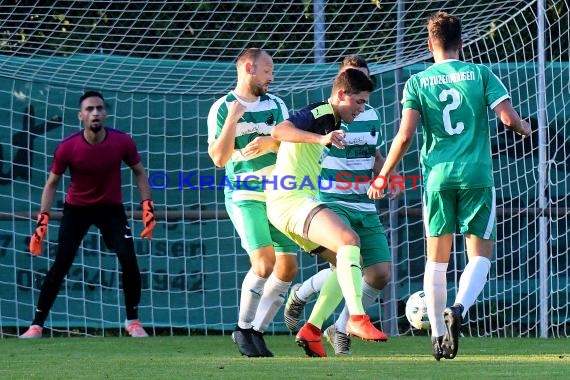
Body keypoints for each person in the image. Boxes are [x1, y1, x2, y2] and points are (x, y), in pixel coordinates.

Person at [368, 11, 531, 361]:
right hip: (476, 175)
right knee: (480, 256)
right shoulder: (482, 74)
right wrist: (524, 129)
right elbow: (507, 118)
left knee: (436, 260)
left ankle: (438, 336)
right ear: (463, 43)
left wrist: (384, 175)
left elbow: (406, 134)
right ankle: (457, 309)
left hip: (437, 177)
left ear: (429, 45)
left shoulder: (417, 81)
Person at [283, 55, 401, 356]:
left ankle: (337, 325)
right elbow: (286, 134)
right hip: (330, 198)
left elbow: (371, 150)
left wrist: (386, 175)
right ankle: (321, 305)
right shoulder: (324, 114)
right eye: (356, 94)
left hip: (364, 201)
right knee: (349, 256)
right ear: (342, 87)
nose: (360, 104)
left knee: (379, 274)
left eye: (364, 95)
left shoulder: (370, 114)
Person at [20, 90, 157, 339]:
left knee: (128, 258)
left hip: (111, 210)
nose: (95, 113)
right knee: (61, 263)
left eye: (99, 108)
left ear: (105, 113)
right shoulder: (67, 147)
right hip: (77, 210)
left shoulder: (122, 142)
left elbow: (139, 171)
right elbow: (51, 184)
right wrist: (42, 220)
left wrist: (147, 205)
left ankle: (133, 321)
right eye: (90, 109)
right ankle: (36, 326)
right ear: (80, 116)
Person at [207, 47, 298, 357]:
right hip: (244, 194)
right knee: (264, 263)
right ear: (249, 68)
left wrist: (272, 140)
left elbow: (292, 142)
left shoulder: (277, 104)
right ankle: (242, 328)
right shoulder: (222, 107)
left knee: (287, 268)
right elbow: (219, 159)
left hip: (278, 192)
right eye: (268, 70)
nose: (272, 77)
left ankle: (256, 331)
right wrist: (233, 119)